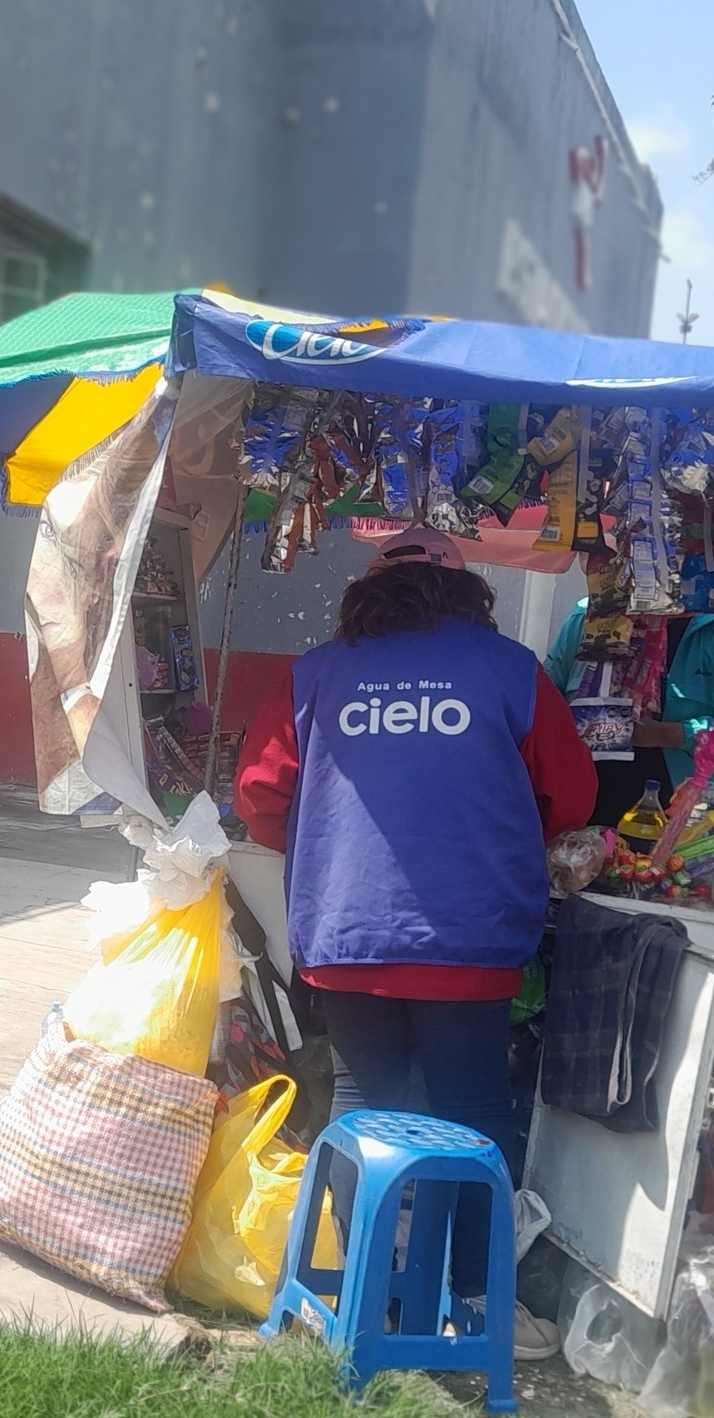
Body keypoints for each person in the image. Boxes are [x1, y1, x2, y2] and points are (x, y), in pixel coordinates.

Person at [234, 528, 596, 1361]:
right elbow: (570, 795)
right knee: (474, 1112)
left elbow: (258, 796)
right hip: (469, 935)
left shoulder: (316, 673)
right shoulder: (510, 671)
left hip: (346, 933)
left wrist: (331, 844)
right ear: (470, 595)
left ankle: (361, 1289)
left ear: (367, 592)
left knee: (363, 1101)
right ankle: (478, 1299)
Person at [544, 602, 714, 829]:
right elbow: (543, 704)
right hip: (578, 812)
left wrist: (671, 734)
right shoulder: (589, 614)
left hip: (680, 823)